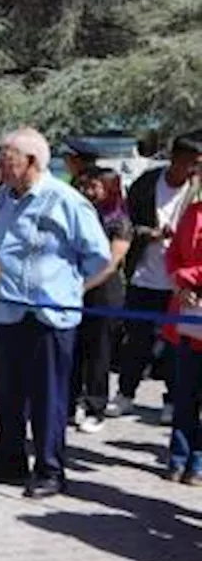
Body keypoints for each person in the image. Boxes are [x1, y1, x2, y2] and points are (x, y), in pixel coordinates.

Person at [0, 128, 110, 499]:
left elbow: (99, 256)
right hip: (7, 313)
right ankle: (9, 459)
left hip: (48, 316)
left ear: (31, 161)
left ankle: (49, 469)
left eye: (8, 159)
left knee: (49, 397)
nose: (1, 166)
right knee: (8, 392)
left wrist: (70, 288)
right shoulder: (4, 199)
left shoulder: (66, 201)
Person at [111, 131, 202, 422]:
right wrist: (151, 234)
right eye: (191, 163)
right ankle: (125, 394)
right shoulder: (147, 184)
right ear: (176, 159)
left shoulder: (196, 189)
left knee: (177, 345)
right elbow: (125, 223)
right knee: (136, 341)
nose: (194, 170)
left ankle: (172, 400)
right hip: (145, 275)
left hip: (180, 284)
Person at [70, 168, 132, 433]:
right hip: (76, 289)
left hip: (104, 293)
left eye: (95, 186)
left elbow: (110, 263)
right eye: (86, 186)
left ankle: (96, 407)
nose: (89, 192)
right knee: (74, 349)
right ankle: (70, 402)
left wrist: (82, 286)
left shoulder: (119, 221)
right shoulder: (82, 214)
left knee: (99, 352)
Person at [161, 182, 202, 485]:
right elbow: (174, 253)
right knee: (184, 394)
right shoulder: (192, 213)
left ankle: (198, 462)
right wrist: (178, 279)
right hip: (188, 319)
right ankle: (178, 457)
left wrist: (189, 277)